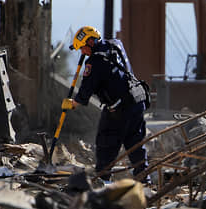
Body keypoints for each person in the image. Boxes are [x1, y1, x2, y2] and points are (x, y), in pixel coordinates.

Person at [63, 25, 149, 181]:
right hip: (136, 100)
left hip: (118, 108)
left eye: (83, 48)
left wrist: (73, 103)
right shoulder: (115, 45)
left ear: (91, 42)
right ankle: (144, 180)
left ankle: (103, 182)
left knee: (105, 144)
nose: (82, 52)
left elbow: (85, 91)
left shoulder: (95, 63)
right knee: (136, 144)